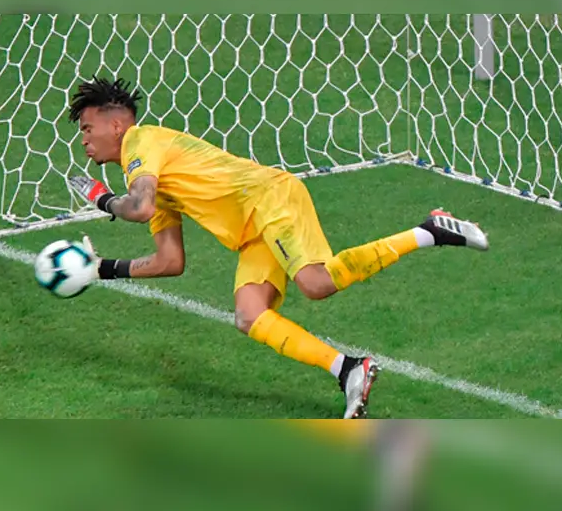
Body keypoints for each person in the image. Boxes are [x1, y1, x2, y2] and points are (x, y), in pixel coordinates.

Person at [67, 76, 489, 418]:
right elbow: (169, 260)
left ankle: (430, 231)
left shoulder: (141, 142)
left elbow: (138, 208)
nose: (83, 139)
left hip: (269, 198)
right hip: (253, 230)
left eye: (87, 128)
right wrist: (103, 269)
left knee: (315, 282)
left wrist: (102, 200)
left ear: (116, 126)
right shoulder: (151, 176)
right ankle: (348, 369)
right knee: (249, 315)